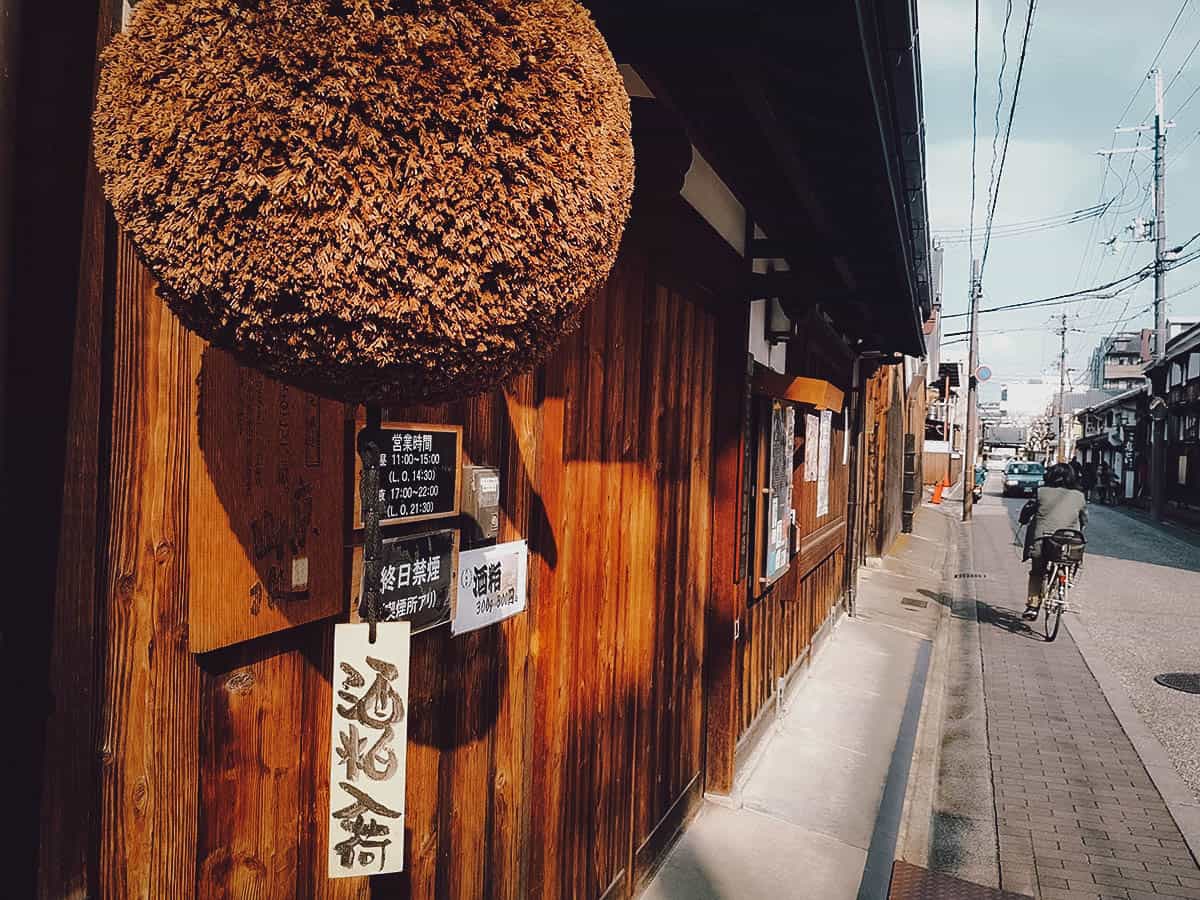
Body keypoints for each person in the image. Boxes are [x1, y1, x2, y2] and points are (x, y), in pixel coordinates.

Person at [1019, 463, 1087, 621]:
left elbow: (1028, 510)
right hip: (1070, 541)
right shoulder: (1079, 496)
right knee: (1067, 561)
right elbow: (1084, 519)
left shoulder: (1041, 492)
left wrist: (1023, 519)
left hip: (1043, 541)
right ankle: (1065, 581)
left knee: (1037, 571)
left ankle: (1033, 606)